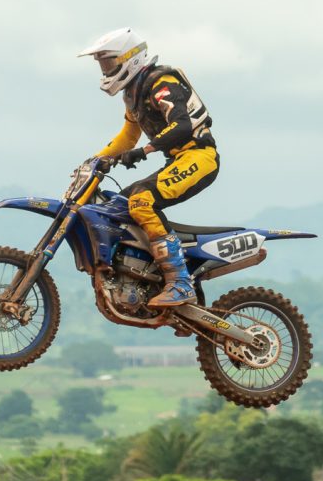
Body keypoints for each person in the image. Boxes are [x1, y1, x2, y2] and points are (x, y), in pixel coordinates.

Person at [79, 27, 219, 306]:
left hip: (199, 156)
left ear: (130, 59)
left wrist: (145, 150)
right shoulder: (133, 93)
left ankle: (180, 282)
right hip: (179, 159)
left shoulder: (161, 82)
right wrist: (93, 161)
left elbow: (182, 125)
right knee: (120, 204)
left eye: (109, 63)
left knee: (142, 201)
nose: (106, 70)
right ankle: (146, 277)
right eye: (103, 65)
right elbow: (127, 137)